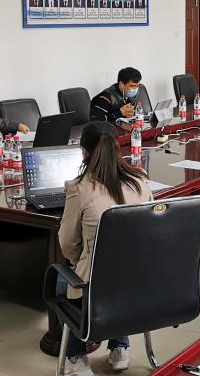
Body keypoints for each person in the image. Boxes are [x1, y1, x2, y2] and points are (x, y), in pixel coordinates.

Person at [58, 121, 154, 375]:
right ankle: (119, 347)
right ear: (117, 147)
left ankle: (76, 356)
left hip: (98, 290)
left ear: (84, 152)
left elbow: (67, 244)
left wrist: (84, 259)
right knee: (123, 266)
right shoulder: (140, 180)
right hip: (143, 283)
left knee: (63, 279)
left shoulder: (79, 188)